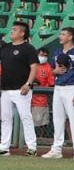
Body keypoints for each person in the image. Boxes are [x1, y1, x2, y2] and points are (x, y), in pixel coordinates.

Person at [42, 27, 74, 160]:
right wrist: (54, 72)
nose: (60, 36)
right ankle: (56, 149)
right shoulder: (57, 52)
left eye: (63, 34)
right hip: (58, 87)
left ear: (70, 37)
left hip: (72, 87)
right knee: (58, 120)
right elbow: (52, 70)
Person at [0, 21, 38, 156]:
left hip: (21, 89)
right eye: (12, 29)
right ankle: (4, 147)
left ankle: (32, 147)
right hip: (5, 89)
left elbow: (34, 67)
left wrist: (28, 84)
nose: (11, 31)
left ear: (22, 33)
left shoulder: (29, 48)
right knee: (5, 118)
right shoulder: (5, 48)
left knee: (25, 117)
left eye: (15, 30)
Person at [31, 46, 53, 138]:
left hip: (41, 99)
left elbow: (51, 83)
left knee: (41, 123)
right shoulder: (31, 64)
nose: (43, 57)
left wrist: (39, 83)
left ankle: (40, 139)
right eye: (41, 55)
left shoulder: (48, 67)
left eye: (45, 55)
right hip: (26, 97)